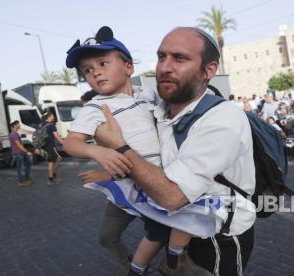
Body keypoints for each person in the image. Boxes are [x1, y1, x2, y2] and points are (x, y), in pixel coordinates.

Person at [94, 26, 256, 276]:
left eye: (180, 58)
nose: (165, 67)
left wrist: (119, 145)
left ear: (209, 70)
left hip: (214, 238)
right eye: (161, 57)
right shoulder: (158, 109)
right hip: (176, 229)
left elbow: (172, 197)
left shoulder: (223, 118)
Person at [63, 26, 212, 276]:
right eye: (87, 70)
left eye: (102, 63)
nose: (95, 72)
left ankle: (174, 258)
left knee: (190, 210)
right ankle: (142, 267)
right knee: (157, 230)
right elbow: (71, 142)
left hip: (168, 173)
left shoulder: (149, 95)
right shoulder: (96, 107)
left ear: (129, 67)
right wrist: (100, 153)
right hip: (138, 180)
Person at [41, 112, 64, 185]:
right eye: (52, 116)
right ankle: (50, 180)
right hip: (50, 147)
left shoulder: (42, 125)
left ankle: (53, 176)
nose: (53, 117)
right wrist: (64, 143)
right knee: (51, 162)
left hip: (45, 146)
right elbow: (57, 136)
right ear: (49, 117)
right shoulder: (51, 125)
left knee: (58, 159)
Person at [9, 120, 33, 186]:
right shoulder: (14, 134)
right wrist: (27, 151)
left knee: (28, 164)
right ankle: (21, 181)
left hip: (21, 152)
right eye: (18, 124)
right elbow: (18, 145)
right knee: (20, 167)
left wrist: (24, 151)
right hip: (18, 153)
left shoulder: (16, 133)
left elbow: (20, 144)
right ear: (14, 126)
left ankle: (26, 178)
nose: (19, 125)